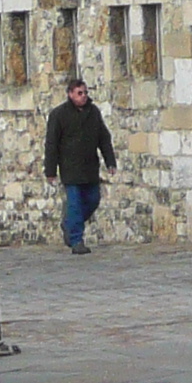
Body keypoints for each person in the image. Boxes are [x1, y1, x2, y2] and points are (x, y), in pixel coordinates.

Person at [42, 75, 117, 253]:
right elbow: (51, 144)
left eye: (85, 93)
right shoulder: (59, 115)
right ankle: (76, 240)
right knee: (74, 204)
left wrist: (110, 161)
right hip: (70, 168)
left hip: (90, 167)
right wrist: (50, 170)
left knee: (92, 200)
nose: (83, 96)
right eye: (79, 93)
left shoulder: (93, 113)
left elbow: (103, 139)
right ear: (70, 94)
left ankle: (69, 224)